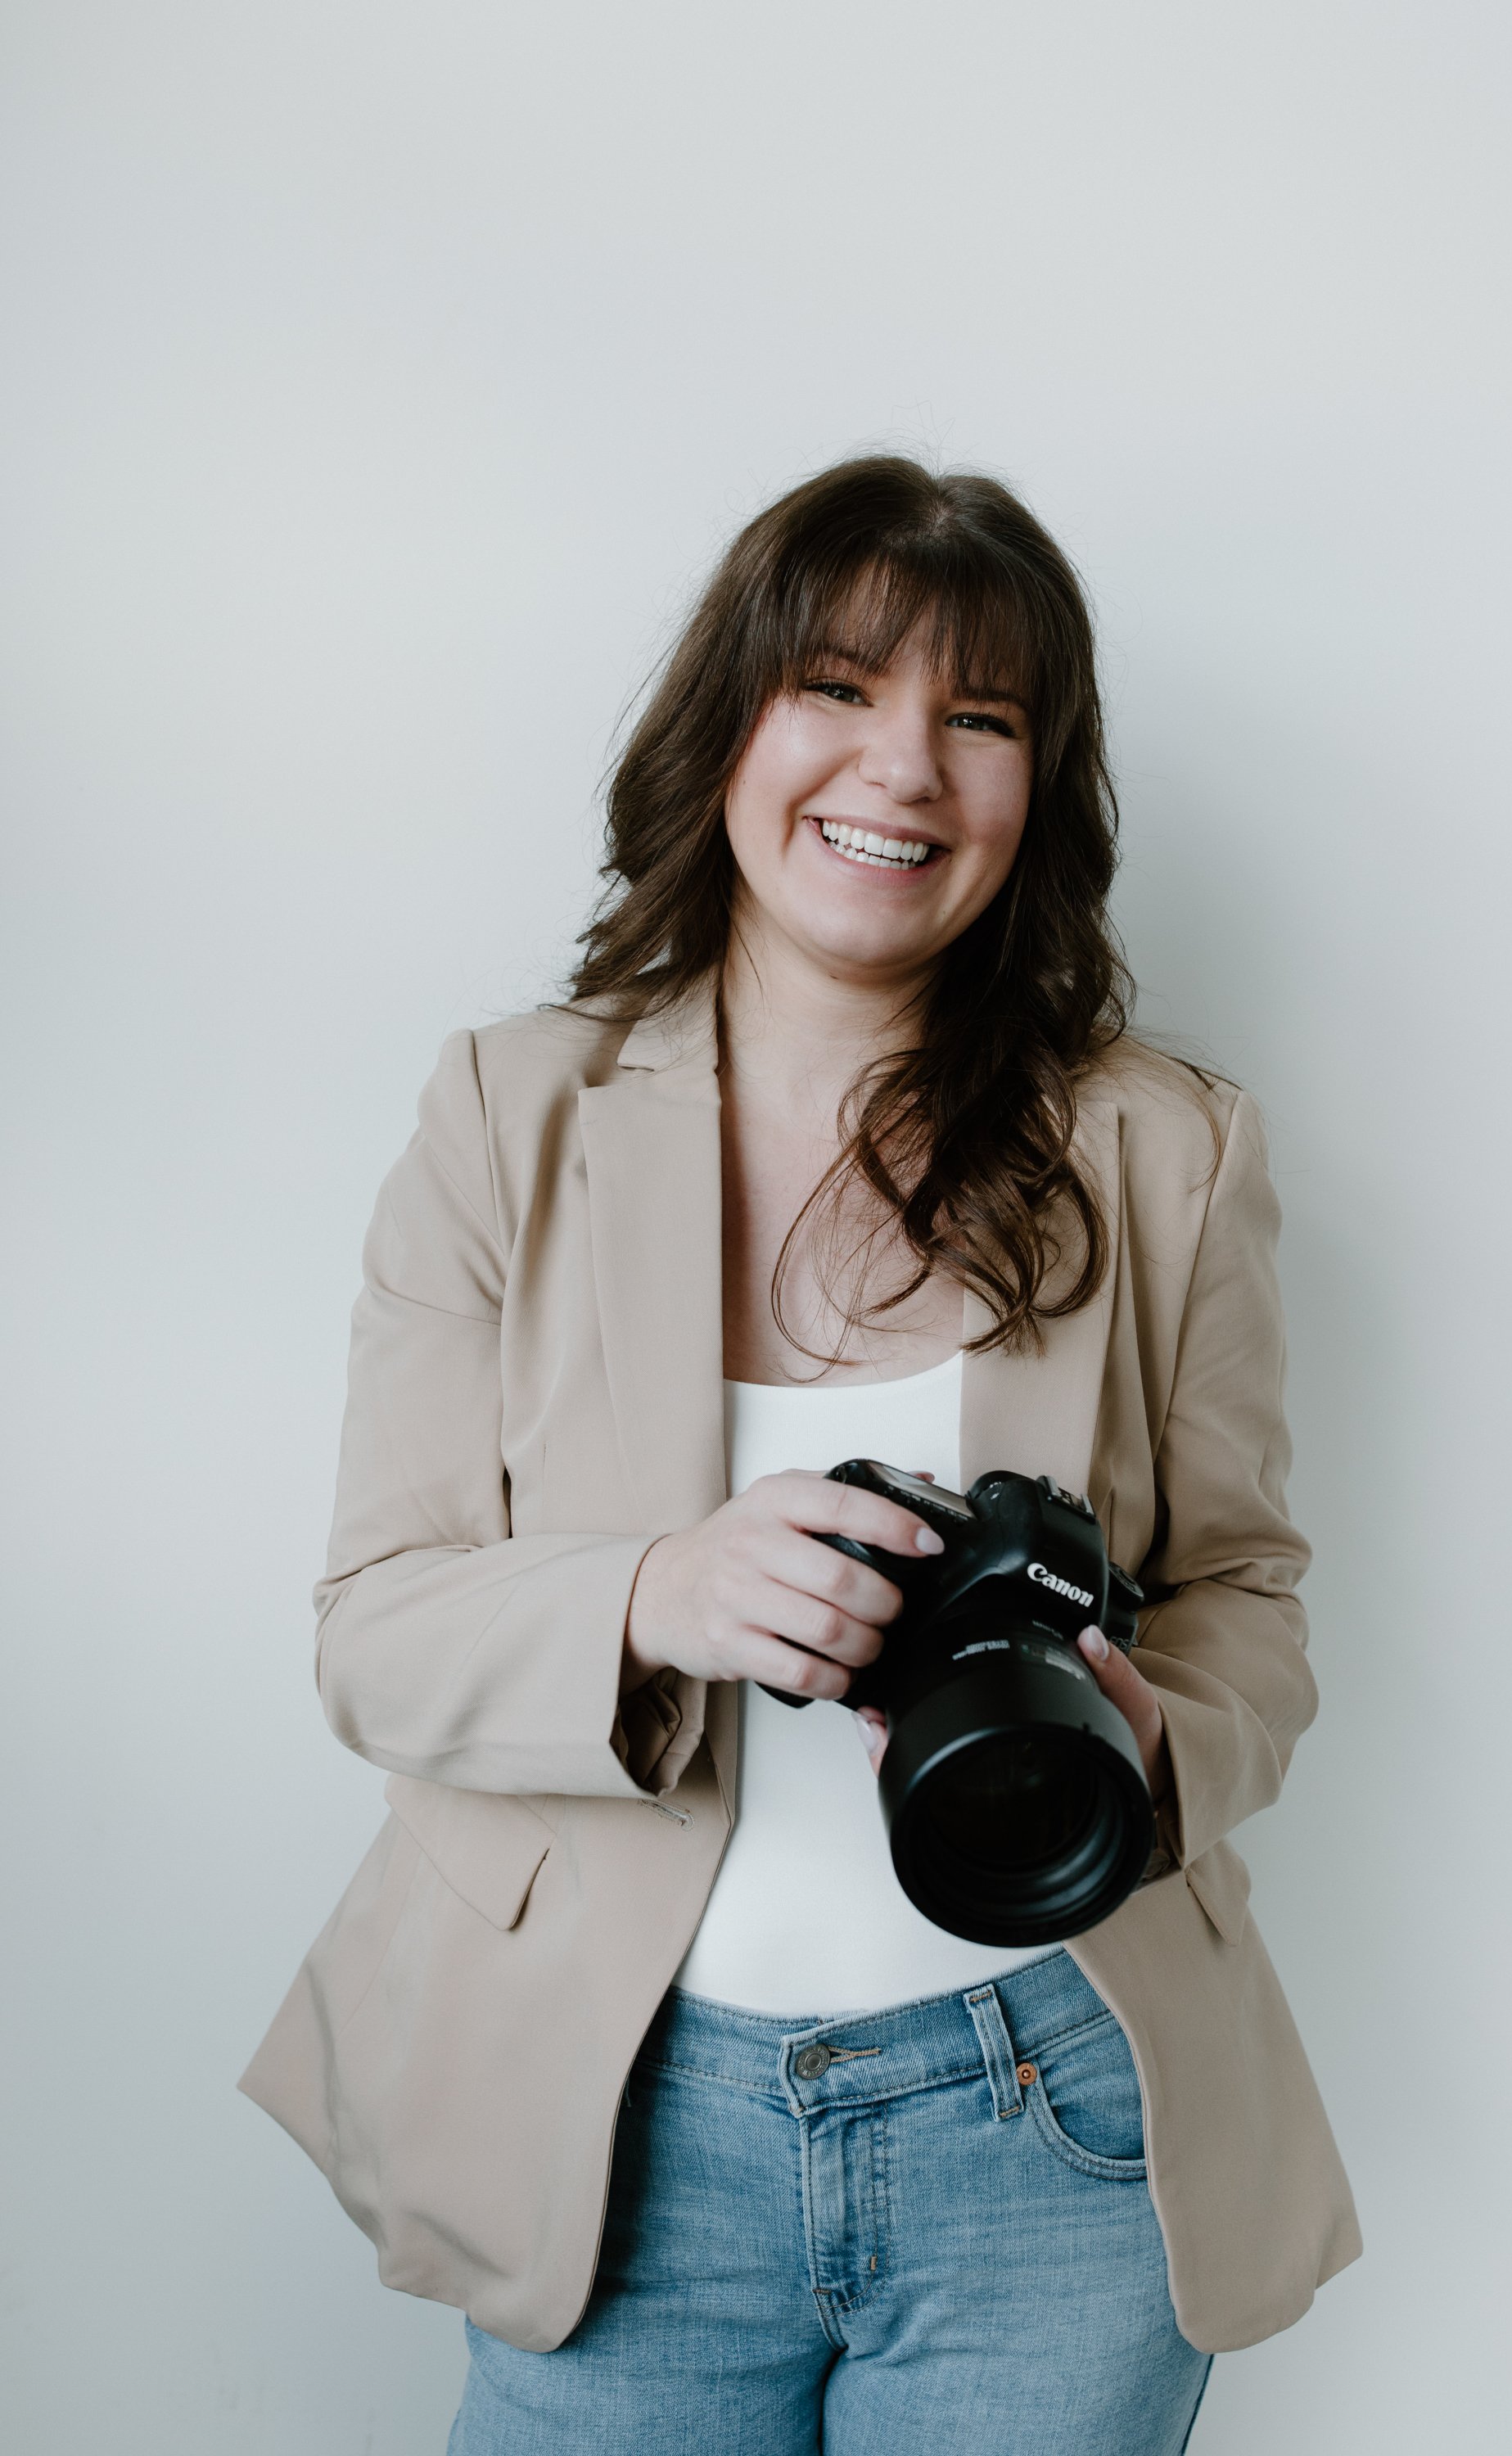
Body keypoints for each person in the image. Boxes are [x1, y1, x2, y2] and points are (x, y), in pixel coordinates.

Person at [241, 455, 1360, 2454]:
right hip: (611, 2120)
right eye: (838, 686)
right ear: (728, 727)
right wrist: (655, 1597)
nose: (905, 769)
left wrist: (1163, 1745)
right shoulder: (516, 1117)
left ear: (1039, 791)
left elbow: (1249, 1595)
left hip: (1051, 2121)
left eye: (984, 719)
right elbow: (372, 1633)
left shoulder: (1166, 1148)